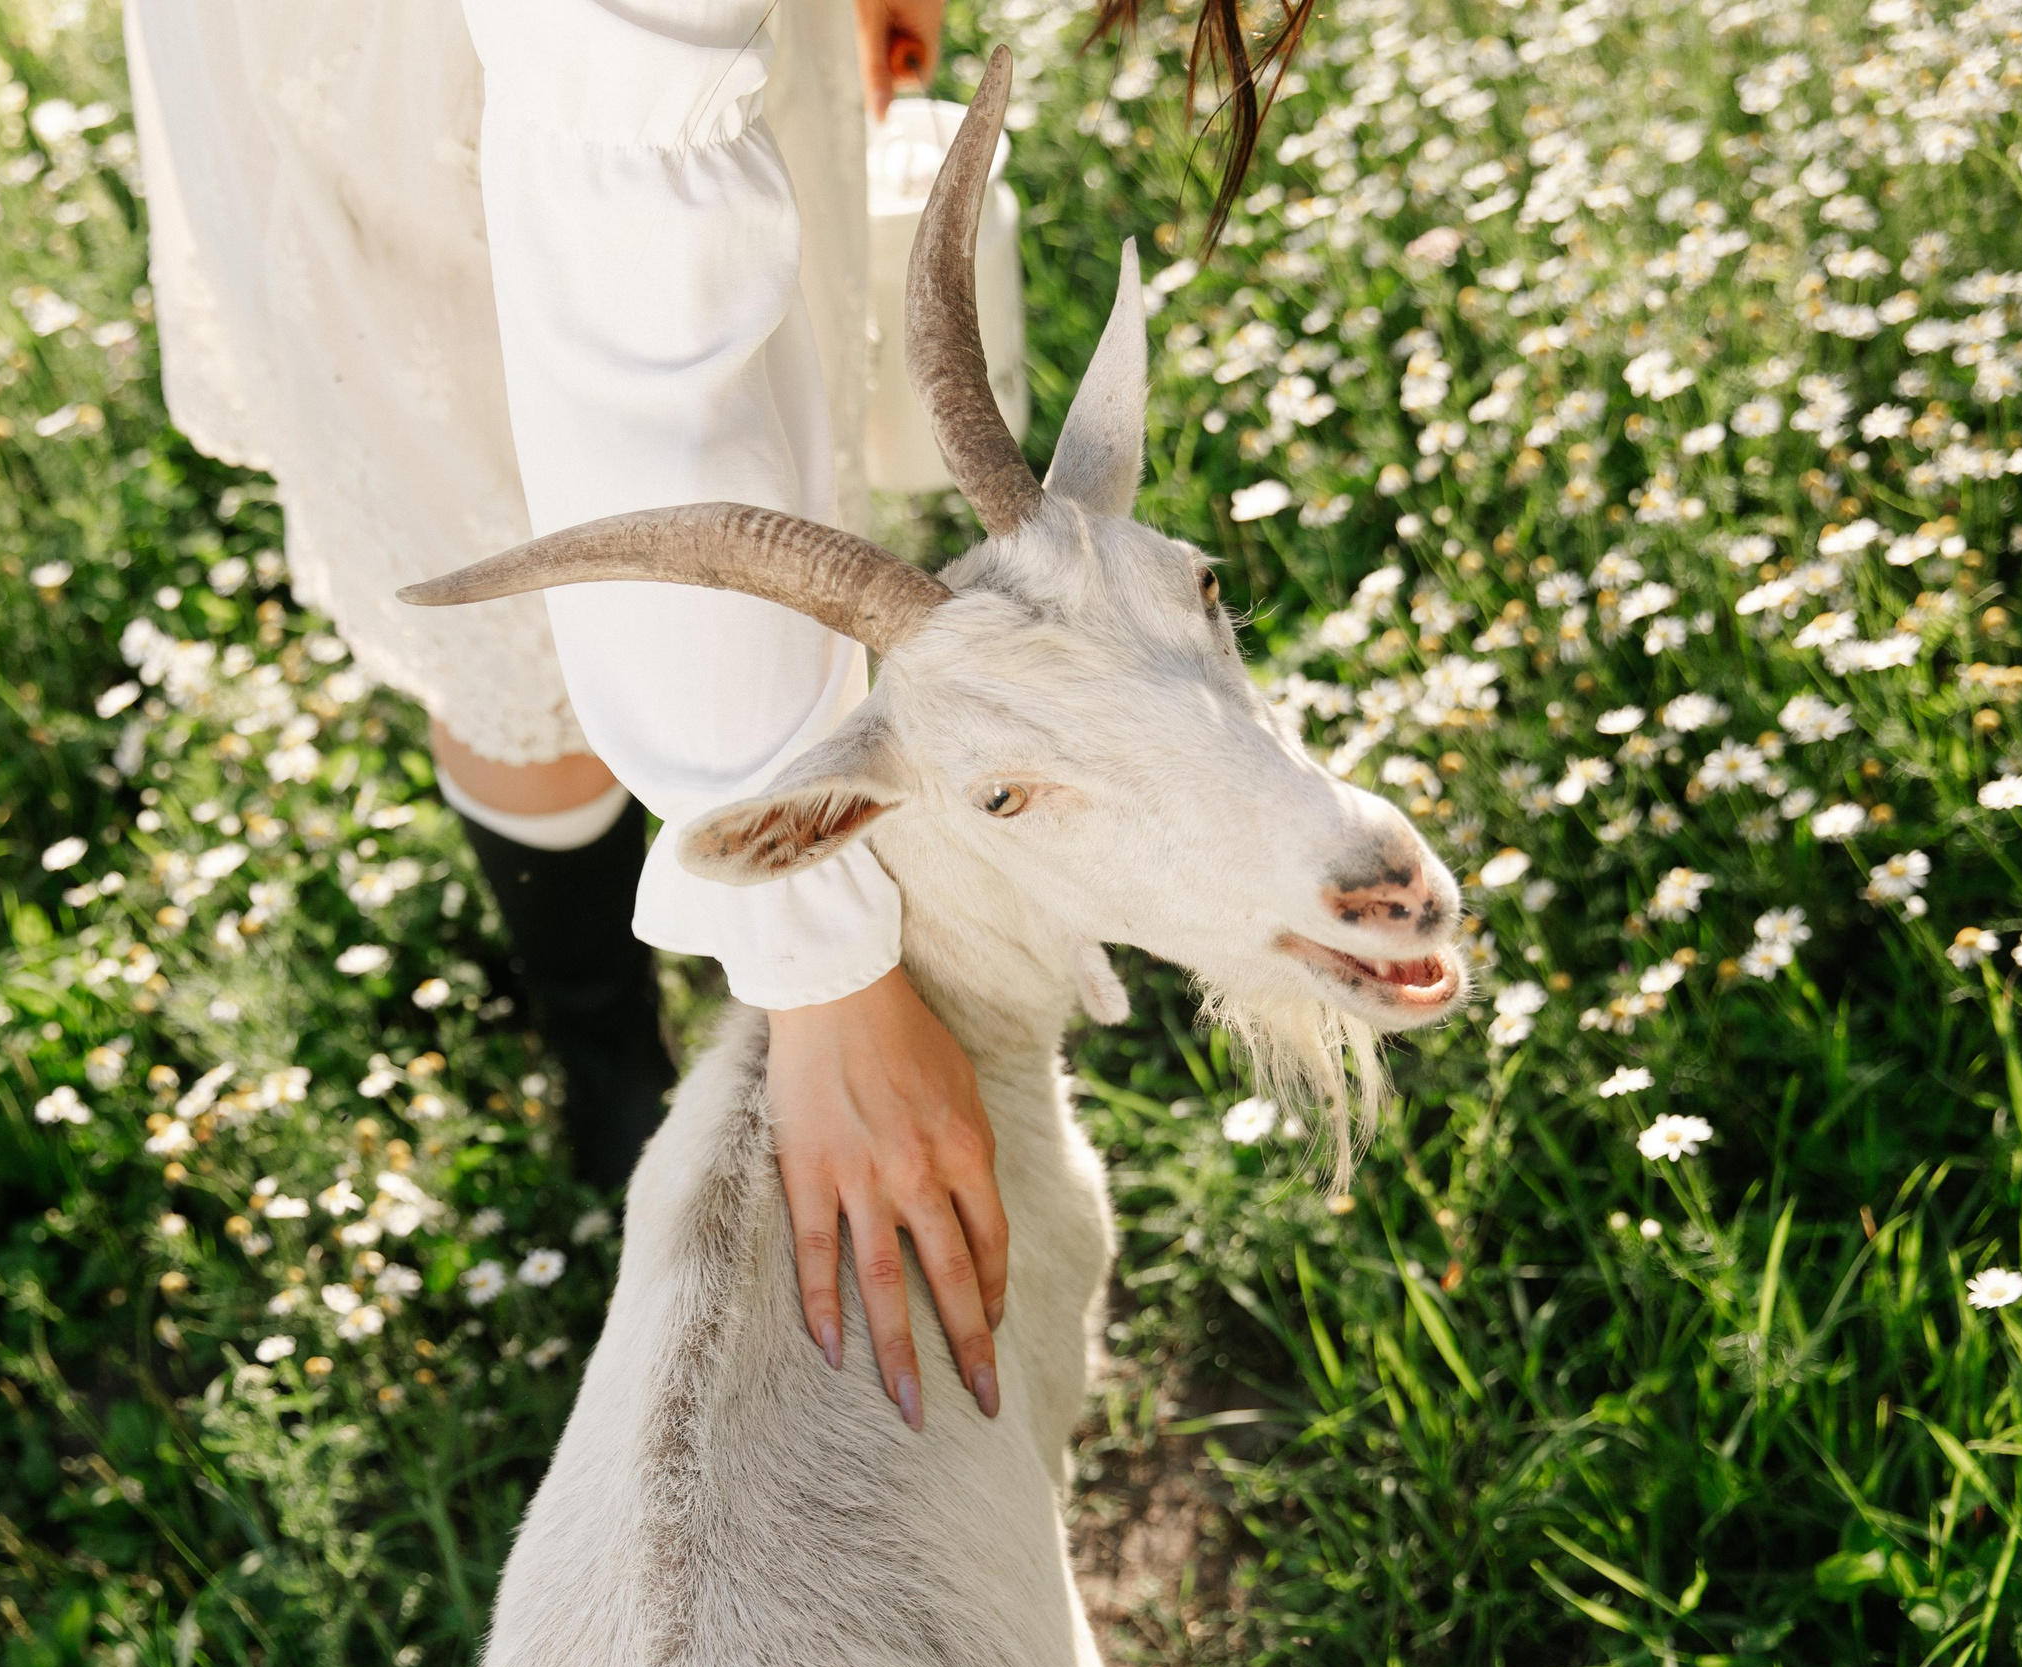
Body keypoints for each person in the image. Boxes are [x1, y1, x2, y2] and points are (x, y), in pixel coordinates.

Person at [124, 0, 1300, 1433]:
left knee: (748, 441)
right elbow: (649, 331)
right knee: (510, 591)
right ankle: (598, 1037)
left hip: (607, 55)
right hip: (406, 84)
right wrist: (824, 973)